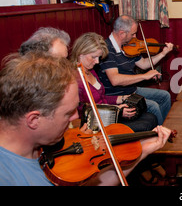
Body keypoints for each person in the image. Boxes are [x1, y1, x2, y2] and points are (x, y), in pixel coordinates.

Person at [0, 52, 172, 186]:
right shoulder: (7, 177)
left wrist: (142, 151)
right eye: (68, 113)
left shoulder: (39, 147)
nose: (76, 116)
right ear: (34, 120)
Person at [70, 32, 158, 132]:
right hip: (97, 123)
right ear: (80, 54)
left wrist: (121, 98)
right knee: (145, 124)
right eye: (93, 57)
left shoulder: (91, 71)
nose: (97, 62)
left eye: (99, 57)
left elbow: (103, 98)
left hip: (108, 113)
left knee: (150, 117)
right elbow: (84, 111)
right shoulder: (75, 80)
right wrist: (117, 110)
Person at [97, 15, 173, 125]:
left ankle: (166, 128)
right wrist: (144, 76)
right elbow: (115, 79)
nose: (135, 36)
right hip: (119, 96)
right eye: (133, 34)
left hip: (132, 90)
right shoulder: (107, 50)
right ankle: (160, 135)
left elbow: (143, 64)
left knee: (165, 96)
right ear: (122, 33)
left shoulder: (128, 47)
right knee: (154, 106)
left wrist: (163, 53)